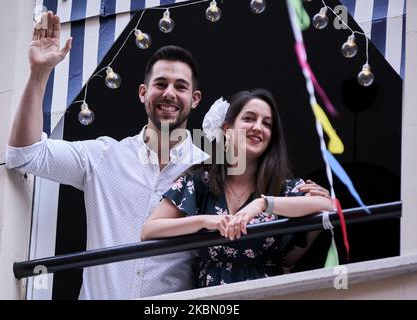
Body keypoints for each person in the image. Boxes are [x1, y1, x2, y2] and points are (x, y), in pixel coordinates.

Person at [6, 12, 328, 298]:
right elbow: (26, 155)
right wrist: (39, 74)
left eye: (181, 86)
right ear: (143, 93)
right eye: (160, 84)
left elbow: (263, 189)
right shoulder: (104, 155)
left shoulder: (213, 162)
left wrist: (305, 198)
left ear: (195, 98)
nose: (170, 93)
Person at [141, 89, 334, 288]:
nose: (258, 127)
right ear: (226, 129)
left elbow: (327, 205)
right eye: (249, 119)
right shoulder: (199, 182)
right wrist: (205, 221)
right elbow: (149, 230)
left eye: (267, 123)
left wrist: (263, 203)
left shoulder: (281, 187)